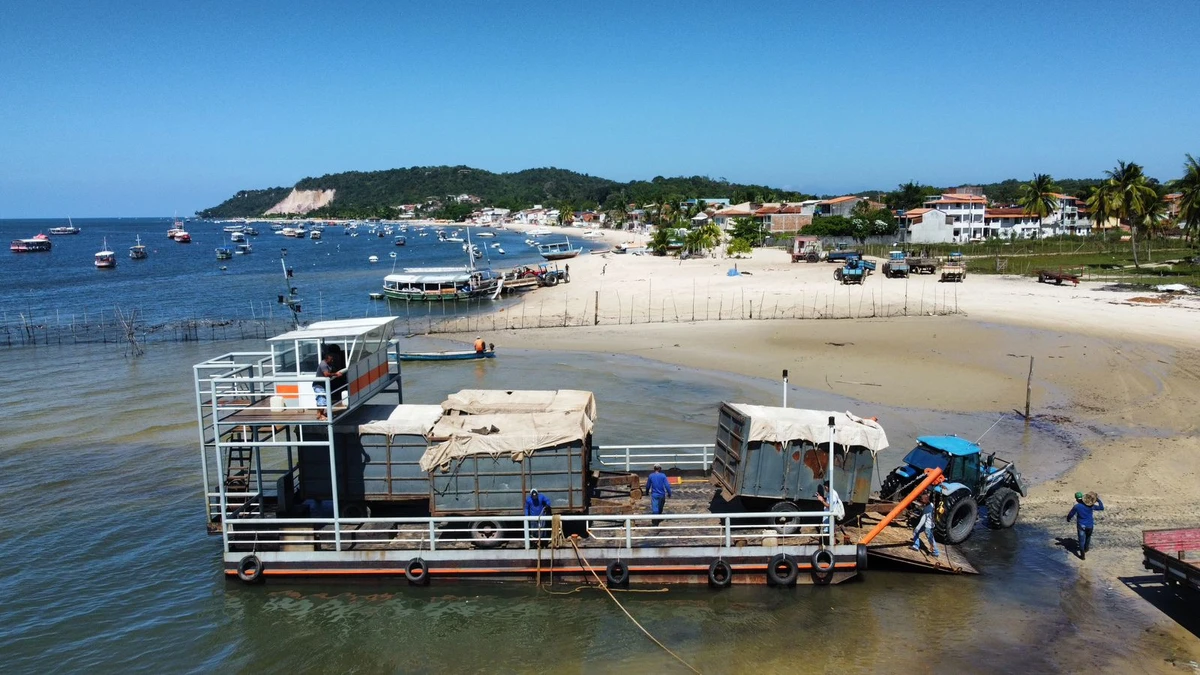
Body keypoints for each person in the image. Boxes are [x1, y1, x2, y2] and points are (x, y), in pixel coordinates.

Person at [1066, 491, 1105, 560]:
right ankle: (1086, 549)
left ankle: (1082, 556)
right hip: (1090, 525)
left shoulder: (1077, 506)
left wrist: (1068, 519)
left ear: (1076, 499)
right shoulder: (1091, 506)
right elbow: (1101, 508)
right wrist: (1098, 500)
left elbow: (1070, 514)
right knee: (1088, 537)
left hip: (1081, 526)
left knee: (1081, 541)